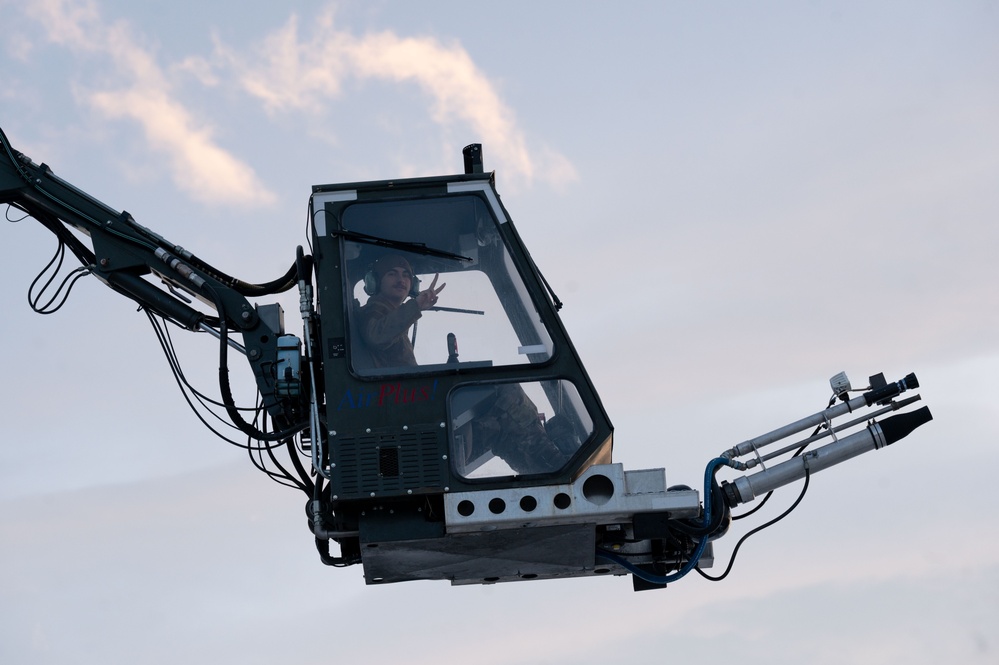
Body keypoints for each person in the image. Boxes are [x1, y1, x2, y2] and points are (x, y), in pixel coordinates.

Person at [355, 254, 570, 475]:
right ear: (374, 282)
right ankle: (553, 465)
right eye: (392, 274)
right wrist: (415, 306)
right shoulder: (375, 310)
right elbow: (376, 335)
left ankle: (546, 466)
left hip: (409, 407)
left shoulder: (393, 314)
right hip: (403, 409)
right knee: (507, 390)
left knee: (498, 425)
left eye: (406, 275)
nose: (401, 279)